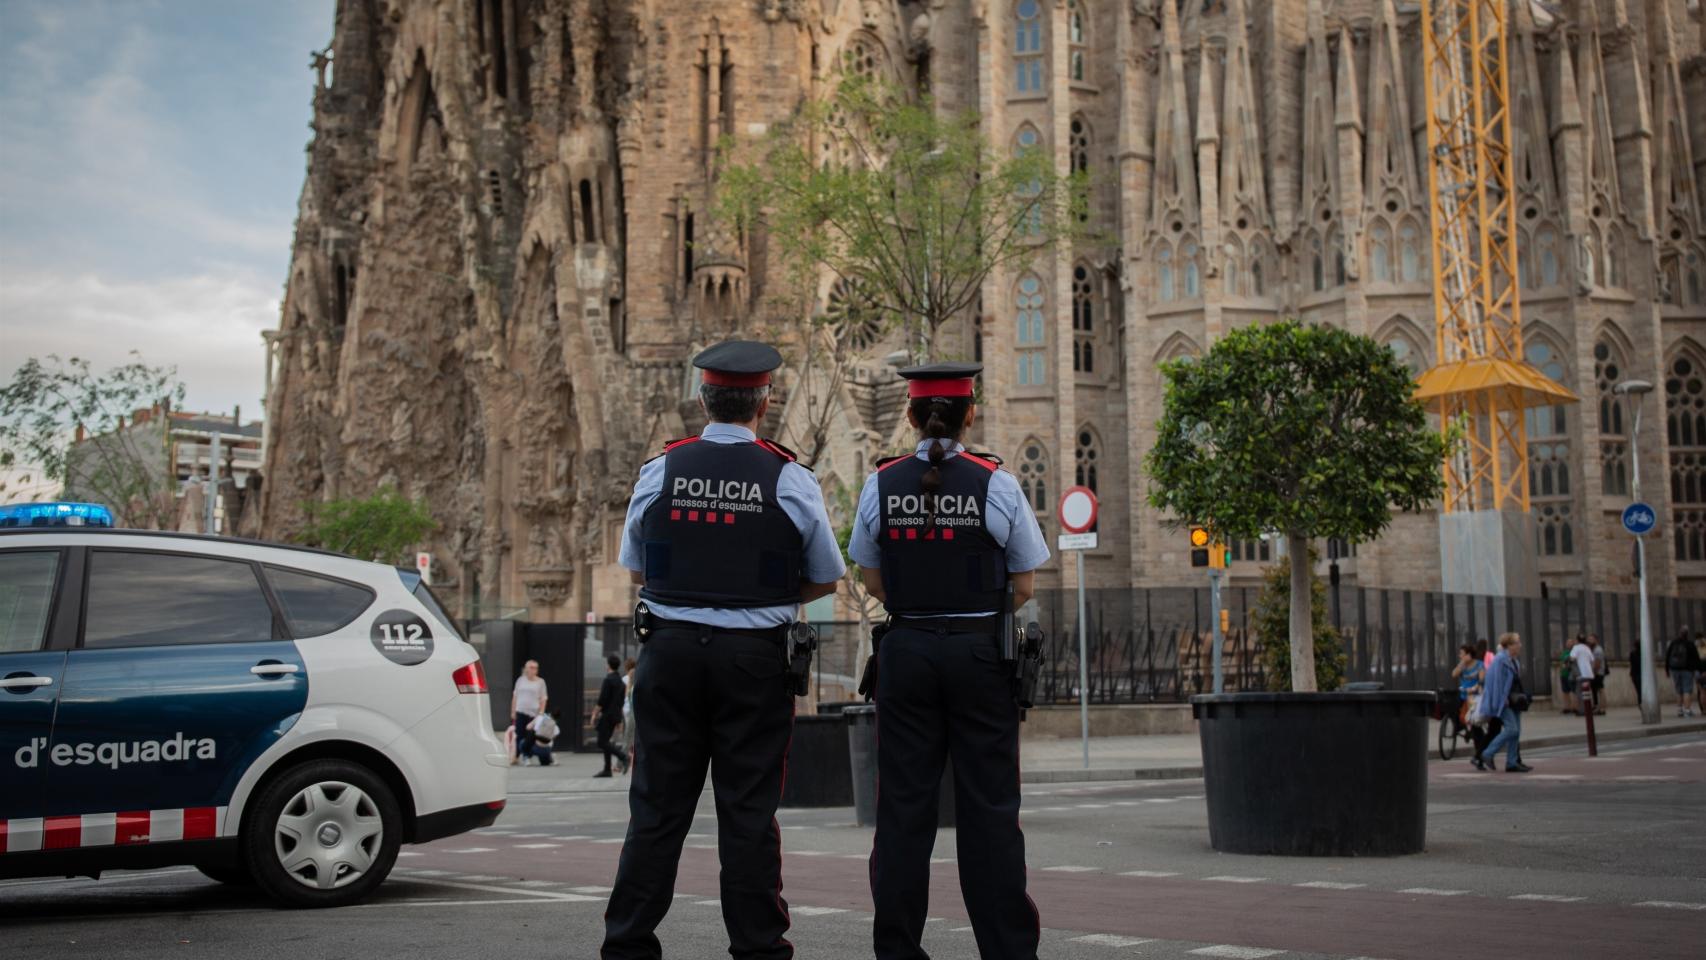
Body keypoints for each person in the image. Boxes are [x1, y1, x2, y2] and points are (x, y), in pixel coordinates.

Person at [602, 340, 846, 960]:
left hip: (670, 655)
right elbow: (824, 575)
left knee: (657, 810)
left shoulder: (661, 470)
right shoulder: (789, 476)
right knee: (748, 813)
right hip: (754, 661)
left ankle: (628, 945)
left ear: (703, 400)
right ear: (764, 403)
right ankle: (759, 949)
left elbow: (635, 567)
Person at [847, 362, 1051, 960]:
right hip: (980, 654)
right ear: (972, 416)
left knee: (903, 810)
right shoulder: (998, 484)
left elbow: (870, 577)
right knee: (989, 808)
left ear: (909, 418)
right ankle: (1008, 949)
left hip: (907, 651)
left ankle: (897, 949)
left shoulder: (879, 484)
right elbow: (1024, 584)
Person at [1476, 633, 1532, 773]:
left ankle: (1512, 762)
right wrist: (1500, 700)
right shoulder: (1501, 660)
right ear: (1509, 645)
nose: (1520, 645)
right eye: (1517, 642)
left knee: (1516, 731)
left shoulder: (1514, 660)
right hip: (1504, 701)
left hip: (1514, 700)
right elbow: (1494, 681)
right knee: (1512, 729)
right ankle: (1487, 753)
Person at [592, 654, 627, 777]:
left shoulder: (608, 680)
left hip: (607, 715)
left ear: (608, 665)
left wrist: (594, 714)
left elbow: (602, 700)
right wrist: (619, 719)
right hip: (615, 715)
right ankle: (607, 769)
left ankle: (623, 756)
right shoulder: (621, 682)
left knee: (601, 742)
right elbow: (621, 701)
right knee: (606, 740)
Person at [511, 659, 548, 766]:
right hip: (521, 711)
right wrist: (513, 711)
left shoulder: (540, 682)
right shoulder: (520, 680)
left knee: (530, 736)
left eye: (535, 668)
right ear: (526, 669)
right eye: (531, 667)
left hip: (534, 714)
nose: (533, 670)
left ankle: (527, 755)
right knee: (519, 735)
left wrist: (541, 713)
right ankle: (516, 756)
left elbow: (543, 698)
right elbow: (515, 696)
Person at [1664, 628, 1699, 718]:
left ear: (1679, 634)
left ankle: (1679, 710)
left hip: (1675, 670)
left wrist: (1667, 670)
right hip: (1687, 670)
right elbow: (1696, 658)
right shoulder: (1690, 644)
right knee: (1687, 690)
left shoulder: (1673, 643)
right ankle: (1687, 710)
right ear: (1687, 634)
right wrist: (1696, 669)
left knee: (1678, 690)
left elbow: (1667, 656)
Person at [1452, 643, 1484, 727]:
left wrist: (1475, 687)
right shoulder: (1462, 665)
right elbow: (1454, 674)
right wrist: (1462, 663)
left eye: (1461, 654)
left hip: (1475, 693)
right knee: (1453, 709)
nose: (1460, 656)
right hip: (1464, 693)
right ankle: (1459, 726)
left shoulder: (1479, 665)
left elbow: (1481, 679)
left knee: (1472, 716)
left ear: (1469, 654)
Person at [1568, 634, 1595, 717]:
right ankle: (1588, 709)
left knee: (1580, 692)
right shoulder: (1587, 648)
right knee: (1587, 692)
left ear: (1577, 640)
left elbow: (1572, 658)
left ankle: (1582, 710)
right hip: (1589, 674)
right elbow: (1592, 660)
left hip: (1580, 674)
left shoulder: (1576, 648)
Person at [622, 656, 639, 773]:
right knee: (631, 739)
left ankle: (621, 762)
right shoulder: (633, 681)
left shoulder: (626, 680)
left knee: (628, 738)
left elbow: (626, 697)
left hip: (629, 712)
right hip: (630, 712)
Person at [1588, 634, 1607, 716]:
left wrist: (1594, 673)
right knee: (1596, 690)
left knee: (1600, 690)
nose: (1589, 641)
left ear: (1596, 640)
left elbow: (1597, 663)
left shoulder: (1597, 650)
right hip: (1595, 673)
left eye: (1591, 639)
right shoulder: (1593, 649)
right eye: (1589, 639)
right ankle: (1598, 707)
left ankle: (1602, 708)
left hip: (1598, 673)